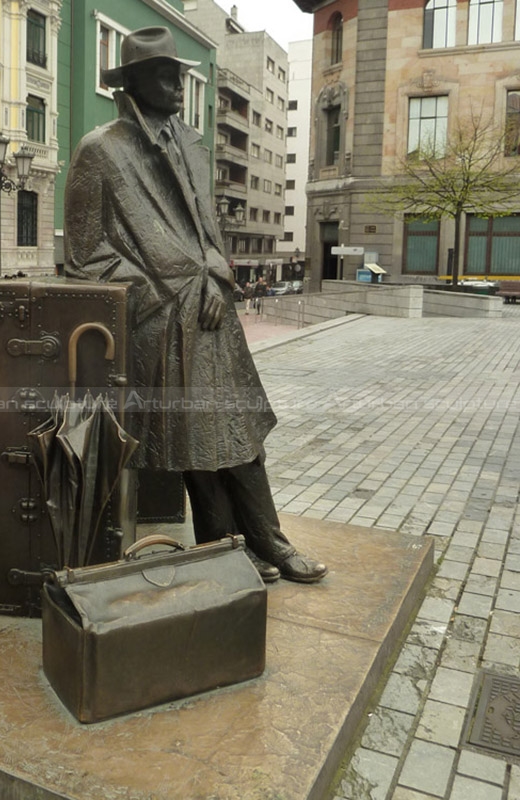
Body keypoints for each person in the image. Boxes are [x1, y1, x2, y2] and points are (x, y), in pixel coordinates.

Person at [64, 27, 327, 583]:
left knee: (239, 436)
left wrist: (213, 271)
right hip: (162, 320)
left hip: (212, 311)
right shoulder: (100, 151)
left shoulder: (190, 142)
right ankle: (233, 547)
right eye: (164, 74)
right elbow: (87, 255)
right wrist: (173, 288)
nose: (177, 83)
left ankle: (260, 542)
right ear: (134, 81)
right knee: (201, 443)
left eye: (178, 73)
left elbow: (208, 230)